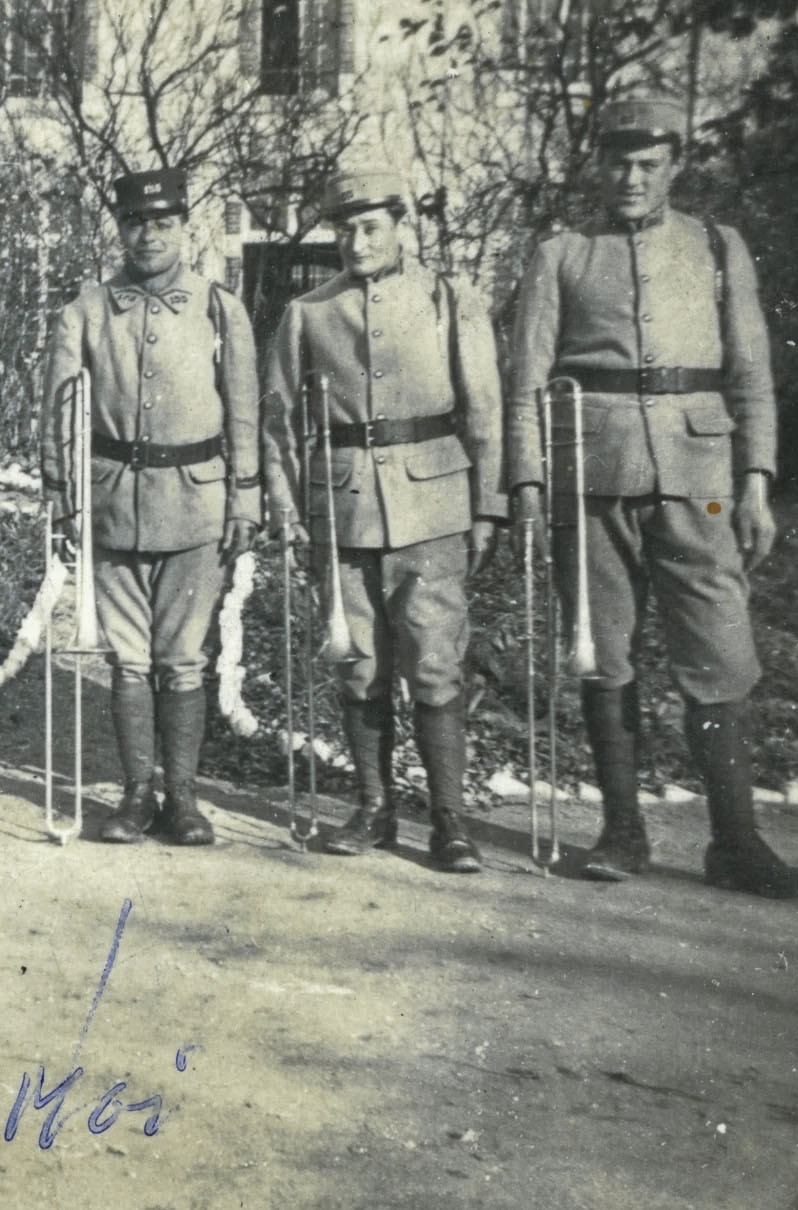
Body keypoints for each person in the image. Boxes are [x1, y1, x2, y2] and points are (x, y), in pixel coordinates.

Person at [506, 97, 798, 898]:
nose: (633, 179)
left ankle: (737, 843)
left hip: (701, 480)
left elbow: (750, 375)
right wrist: (529, 485)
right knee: (602, 656)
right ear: (598, 166)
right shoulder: (562, 255)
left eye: (649, 165)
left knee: (719, 658)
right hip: (592, 479)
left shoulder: (718, 247)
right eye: (618, 164)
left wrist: (757, 483)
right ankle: (622, 831)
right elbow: (524, 385)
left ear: (675, 164)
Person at [261, 167, 505, 873]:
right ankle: (373, 806)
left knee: (435, 663)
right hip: (340, 511)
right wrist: (286, 508)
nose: (356, 241)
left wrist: (487, 505)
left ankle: (450, 820)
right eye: (343, 228)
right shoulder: (309, 313)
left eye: (370, 226)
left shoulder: (447, 299)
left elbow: (483, 410)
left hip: (433, 506)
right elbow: (277, 425)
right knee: (358, 666)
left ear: (401, 224)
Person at [43, 168, 261, 846]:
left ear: (185, 228)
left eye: (163, 223)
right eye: (136, 222)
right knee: (128, 659)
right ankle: (137, 796)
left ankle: (184, 798)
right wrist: (61, 492)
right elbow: (57, 408)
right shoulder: (86, 308)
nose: (149, 235)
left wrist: (246, 496)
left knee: (183, 659)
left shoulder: (218, 307)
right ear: (120, 227)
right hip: (113, 502)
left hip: (197, 503)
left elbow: (246, 411)